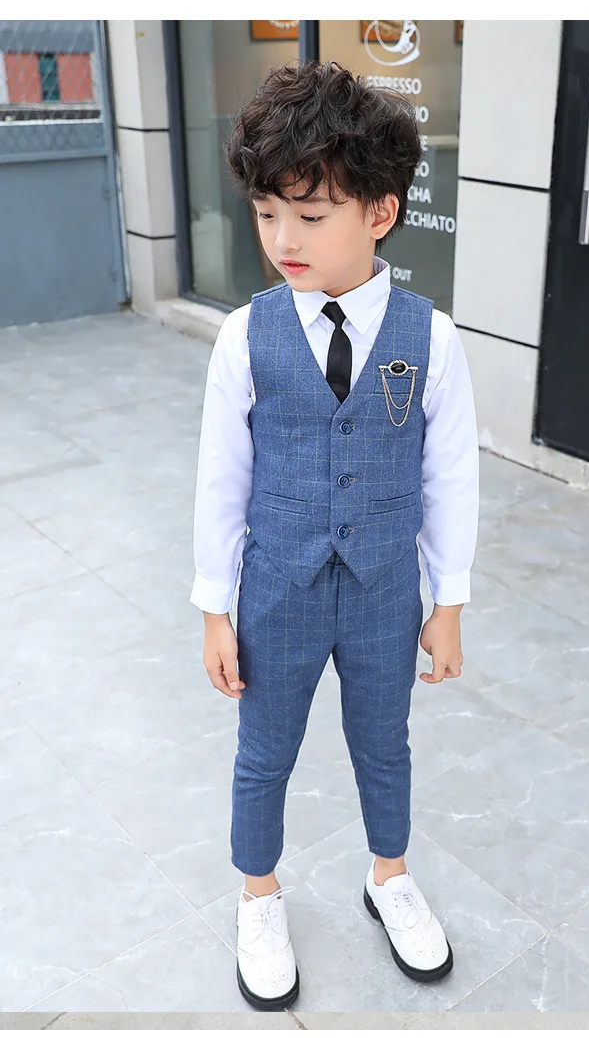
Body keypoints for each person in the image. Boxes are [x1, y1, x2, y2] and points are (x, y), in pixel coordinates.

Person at [190, 60, 479, 1011]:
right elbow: (222, 479)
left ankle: (388, 875)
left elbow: (450, 478)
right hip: (278, 583)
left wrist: (448, 600)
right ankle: (259, 894)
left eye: (311, 216)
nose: (284, 239)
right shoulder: (245, 336)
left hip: (386, 586)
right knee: (264, 748)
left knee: (383, 742)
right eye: (267, 212)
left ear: (381, 213)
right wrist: (215, 606)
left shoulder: (432, 339)